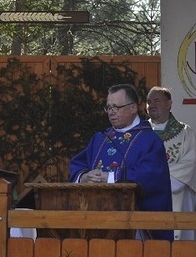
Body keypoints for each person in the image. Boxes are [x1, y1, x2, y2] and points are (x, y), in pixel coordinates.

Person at [69, 83, 173, 240]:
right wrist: (83, 177)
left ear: (132, 108)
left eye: (116, 107)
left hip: (133, 225)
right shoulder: (101, 138)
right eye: (108, 108)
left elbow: (150, 176)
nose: (111, 113)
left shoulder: (149, 140)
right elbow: (78, 163)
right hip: (93, 220)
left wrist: (110, 178)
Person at [146, 86, 196, 240]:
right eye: (148, 102)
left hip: (178, 197)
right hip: (146, 197)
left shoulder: (185, 133)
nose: (151, 105)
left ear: (169, 104)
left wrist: (155, 179)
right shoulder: (141, 133)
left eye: (156, 101)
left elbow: (189, 164)